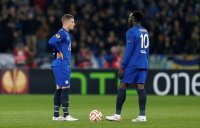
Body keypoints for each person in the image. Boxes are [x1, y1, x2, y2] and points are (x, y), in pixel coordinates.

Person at [106, 11, 149, 122]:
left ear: (134, 19)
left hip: (133, 64)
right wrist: (146, 62)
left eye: (130, 17)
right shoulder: (145, 31)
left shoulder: (131, 32)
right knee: (141, 88)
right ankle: (142, 116)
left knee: (123, 86)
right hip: (143, 63)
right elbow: (147, 50)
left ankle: (117, 115)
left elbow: (129, 51)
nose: (128, 18)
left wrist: (122, 66)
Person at [48, 14, 78, 121]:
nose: (74, 24)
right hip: (61, 63)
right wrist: (59, 50)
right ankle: (66, 115)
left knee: (59, 88)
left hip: (61, 63)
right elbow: (51, 41)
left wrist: (58, 50)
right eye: (72, 22)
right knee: (65, 88)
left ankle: (56, 115)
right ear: (66, 23)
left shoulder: (66, 34)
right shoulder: (62, 33)